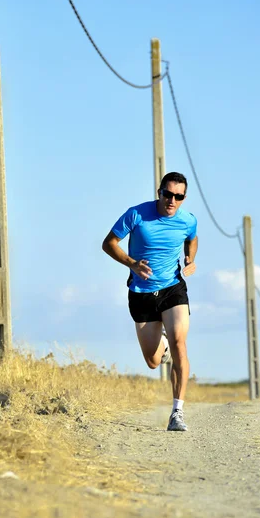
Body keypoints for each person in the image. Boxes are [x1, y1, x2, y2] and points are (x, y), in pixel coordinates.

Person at [102, 172, 198, 431]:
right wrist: (131, 263)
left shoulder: (187, 220)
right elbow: (108, 243)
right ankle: (163, 346)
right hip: (141, 293)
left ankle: (177, 412)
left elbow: (192, 238)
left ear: (183, 198)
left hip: (172, 288)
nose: (172, 200)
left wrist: (190, 259)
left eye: (178, 196)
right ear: (160, 192)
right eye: (168, 194)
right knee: (153, 361)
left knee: (180, 341)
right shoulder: (136, 214)